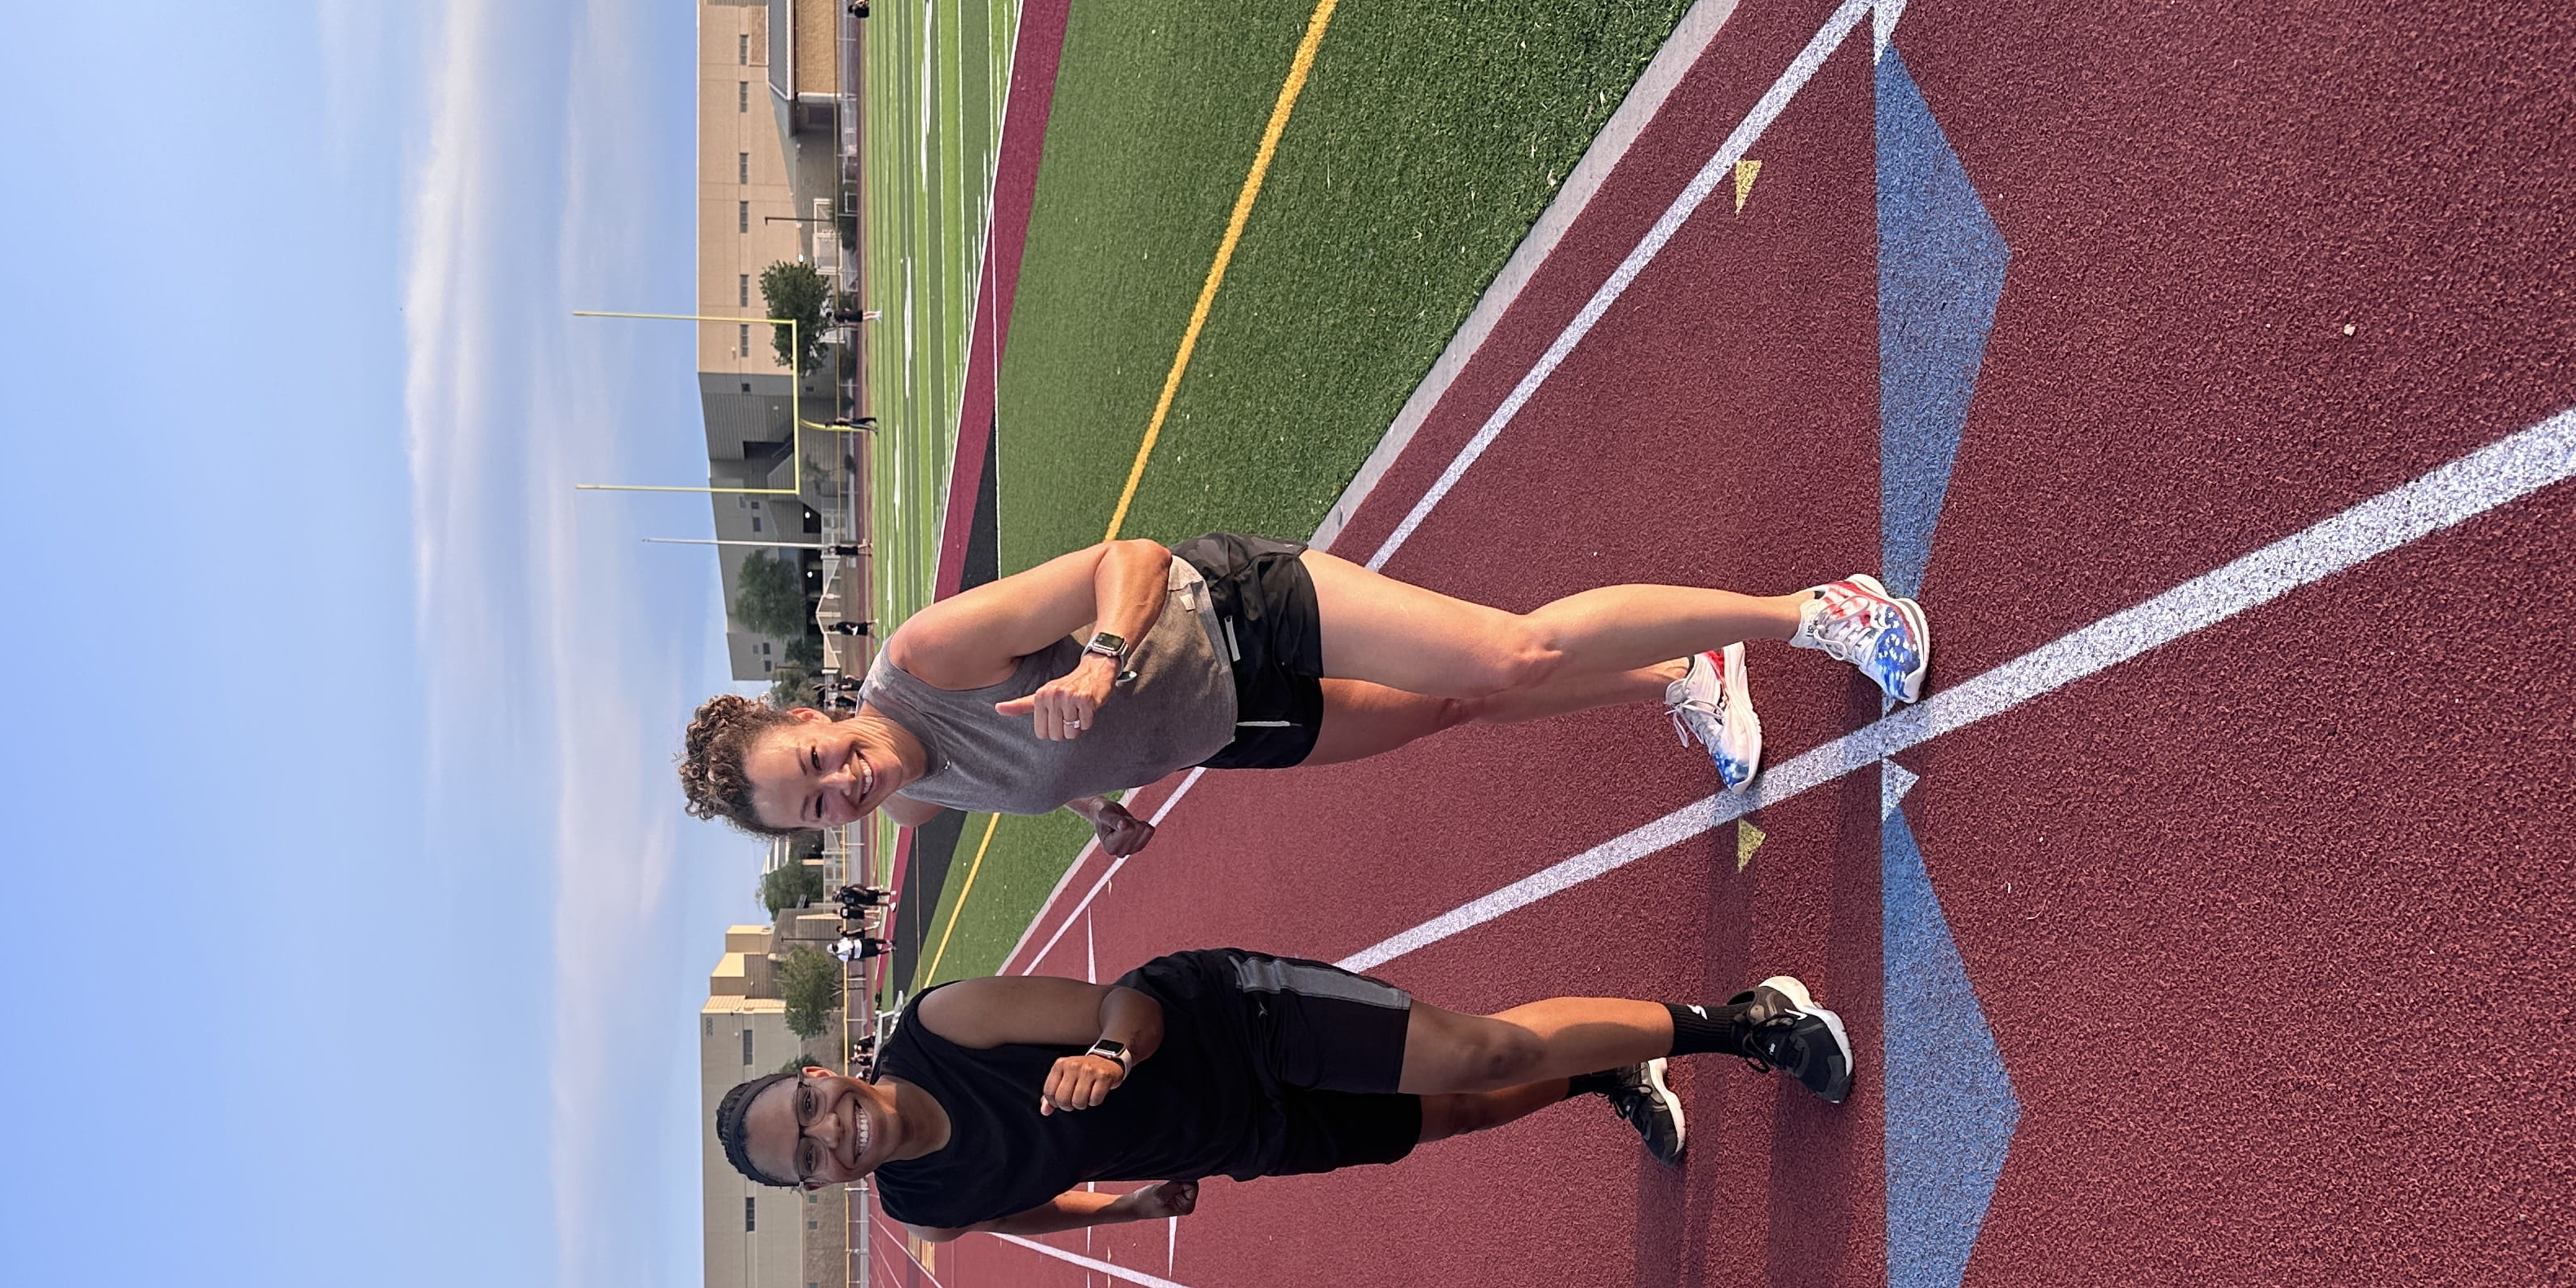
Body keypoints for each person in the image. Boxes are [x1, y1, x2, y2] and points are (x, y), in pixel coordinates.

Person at [675, 532, 1929, 858]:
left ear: (814, 710)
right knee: (1460, 710)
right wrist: (1093, 807)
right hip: (1232, 729)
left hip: (1235, 608)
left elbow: (1132, 560)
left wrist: (1103, 660)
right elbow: (1013, 768)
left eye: (823, 758)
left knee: (1513, 657)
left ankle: (1819, 613)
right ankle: (1680, 676)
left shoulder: (930, 651)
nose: (847, 785)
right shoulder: (910, 811)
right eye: (819, 811)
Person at [710, 947, 1855, 1236]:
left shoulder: (944, 1027)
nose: (828, 1136)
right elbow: (1008, 1213)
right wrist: (1127, 1207)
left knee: (1477, 1055)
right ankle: (1607, 1067)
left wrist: (1108, 1059)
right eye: (807, 1156)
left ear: (823, 1074)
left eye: (808, 1110)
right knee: (1449, 1119)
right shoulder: (916, 1205)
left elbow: (1126, 1005)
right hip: (1239, 1133)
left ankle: (1739, 1022)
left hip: (1228, 1023)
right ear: (820, 1184)